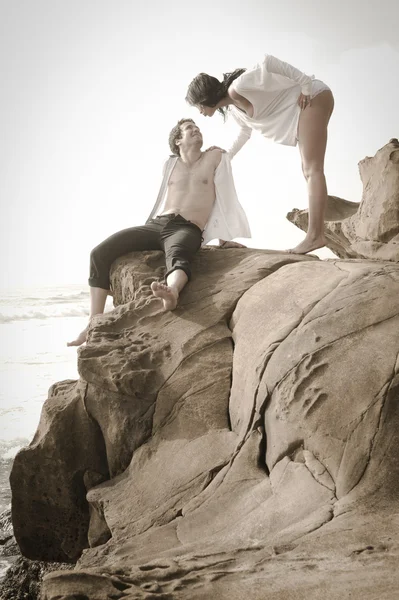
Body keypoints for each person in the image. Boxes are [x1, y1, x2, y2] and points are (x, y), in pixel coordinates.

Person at [67, 119, 251, 347]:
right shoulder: (170, 164)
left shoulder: (215, 158)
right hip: (157, 224)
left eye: (198, 128)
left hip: (187, 226)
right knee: (99, 253)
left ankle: (171, 293)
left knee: (178, 256)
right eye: (189, 129)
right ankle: (93, 323)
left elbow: (226, 195)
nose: (196, 130)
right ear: (178, 140)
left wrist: (225, 238)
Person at [186, 54, 335, 255]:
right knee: (308, 170)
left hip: (313, 97)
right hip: (301, 112)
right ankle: (315, 234)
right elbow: (245, 133)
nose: (200, 112)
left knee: (312, 169)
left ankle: (315, 236)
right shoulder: (235, 110)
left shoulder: (237, 87)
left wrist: (305, 84)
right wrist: (225, 156)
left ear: (203, 99)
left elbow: (268, 61)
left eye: (197, 106)